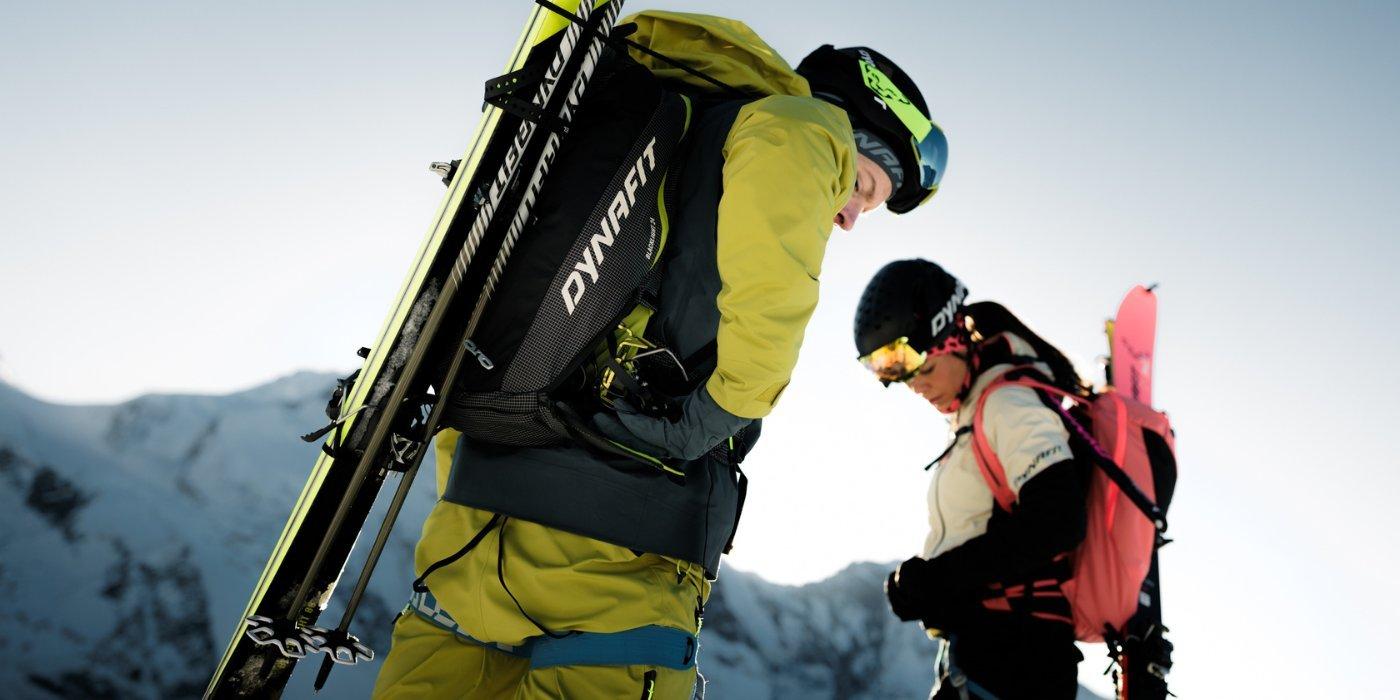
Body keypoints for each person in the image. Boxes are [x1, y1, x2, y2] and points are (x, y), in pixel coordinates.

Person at [372, 11, 947, 699]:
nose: (850, 218)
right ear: (850, 126)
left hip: (470, 534)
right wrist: (723, 409)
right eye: (863, 187)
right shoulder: (799, 126)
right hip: (617, 558)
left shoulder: (652, 120)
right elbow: (772, 294)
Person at [853, 259, 1091, 699]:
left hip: (1018, 660)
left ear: (956, 339)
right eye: (903, 379)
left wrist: (935, 579)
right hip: (990, 654)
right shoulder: (974, 414)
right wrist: (922, 587)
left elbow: (1058, 520)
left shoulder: (1008, 404)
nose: (918, 388)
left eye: (925, 370)